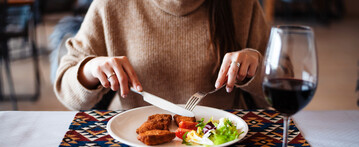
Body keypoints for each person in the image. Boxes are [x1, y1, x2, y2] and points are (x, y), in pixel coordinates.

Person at [54, 0, 270, 111]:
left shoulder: (242, 5)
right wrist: (91, 69)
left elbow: (283, 79)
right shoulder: (111, 5)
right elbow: (66, 87)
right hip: (134, 143)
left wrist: (255, 67)